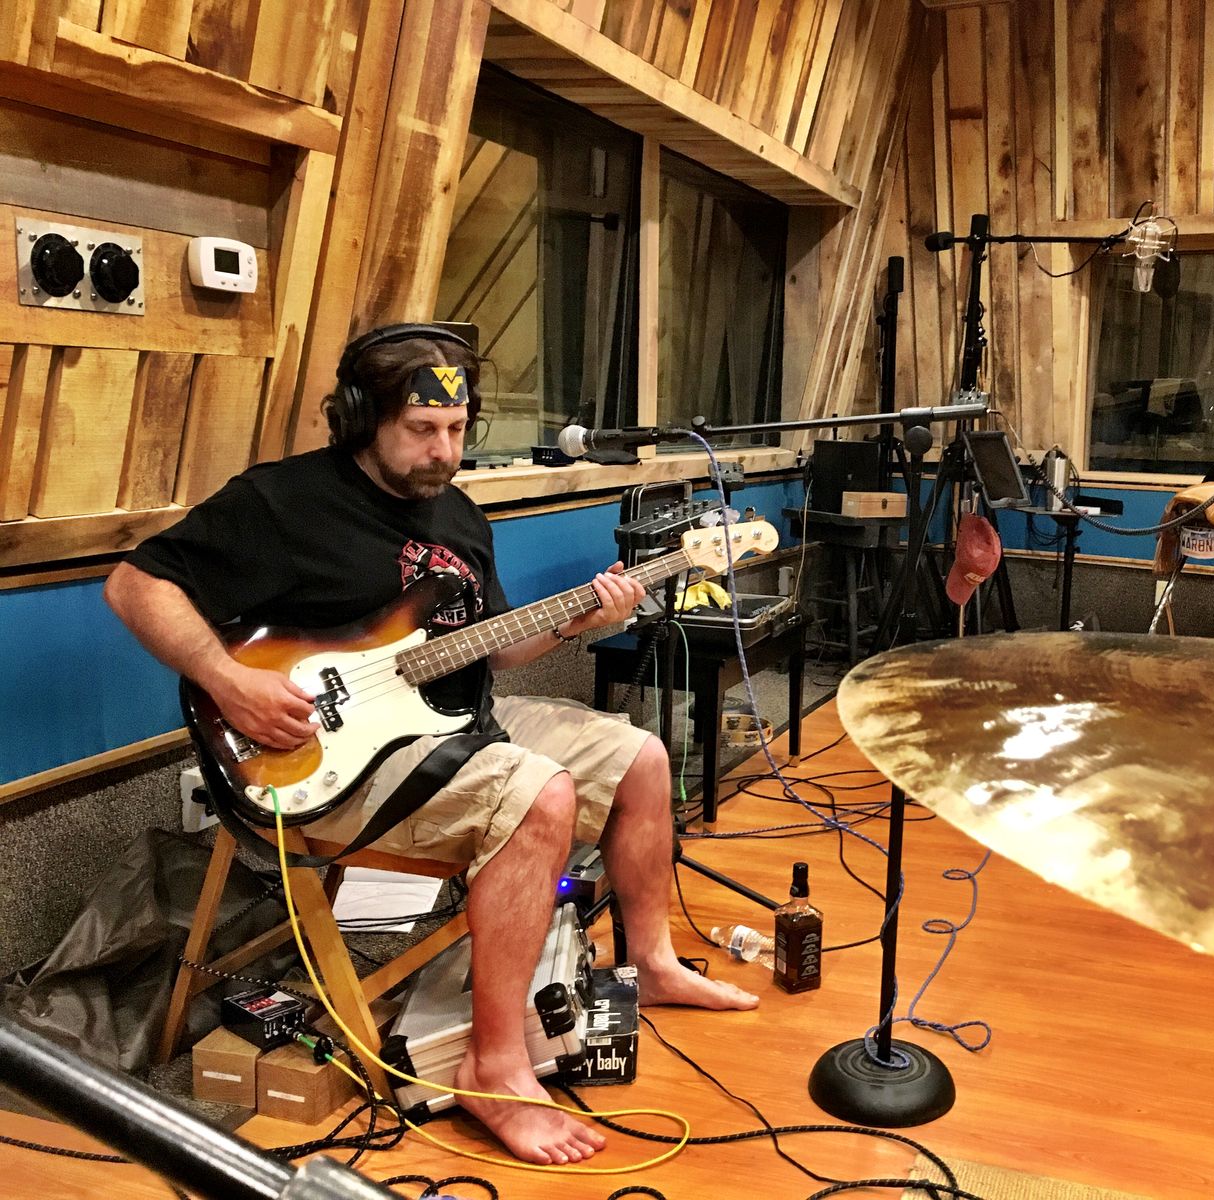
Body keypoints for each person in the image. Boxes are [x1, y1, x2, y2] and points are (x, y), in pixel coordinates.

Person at [104, 323, 758, 1166]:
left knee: (643, 759)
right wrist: (228, 682)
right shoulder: (282, 501)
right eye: (421, 430)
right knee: (542, 794)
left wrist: (583, 618)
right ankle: (496, 1064)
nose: (443, 452)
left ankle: (655, 962)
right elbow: (135, 585)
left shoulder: (459, 512)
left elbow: (496, 646)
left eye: (455, 429)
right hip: (324, 758)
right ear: (360, 419)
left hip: (455, 720)